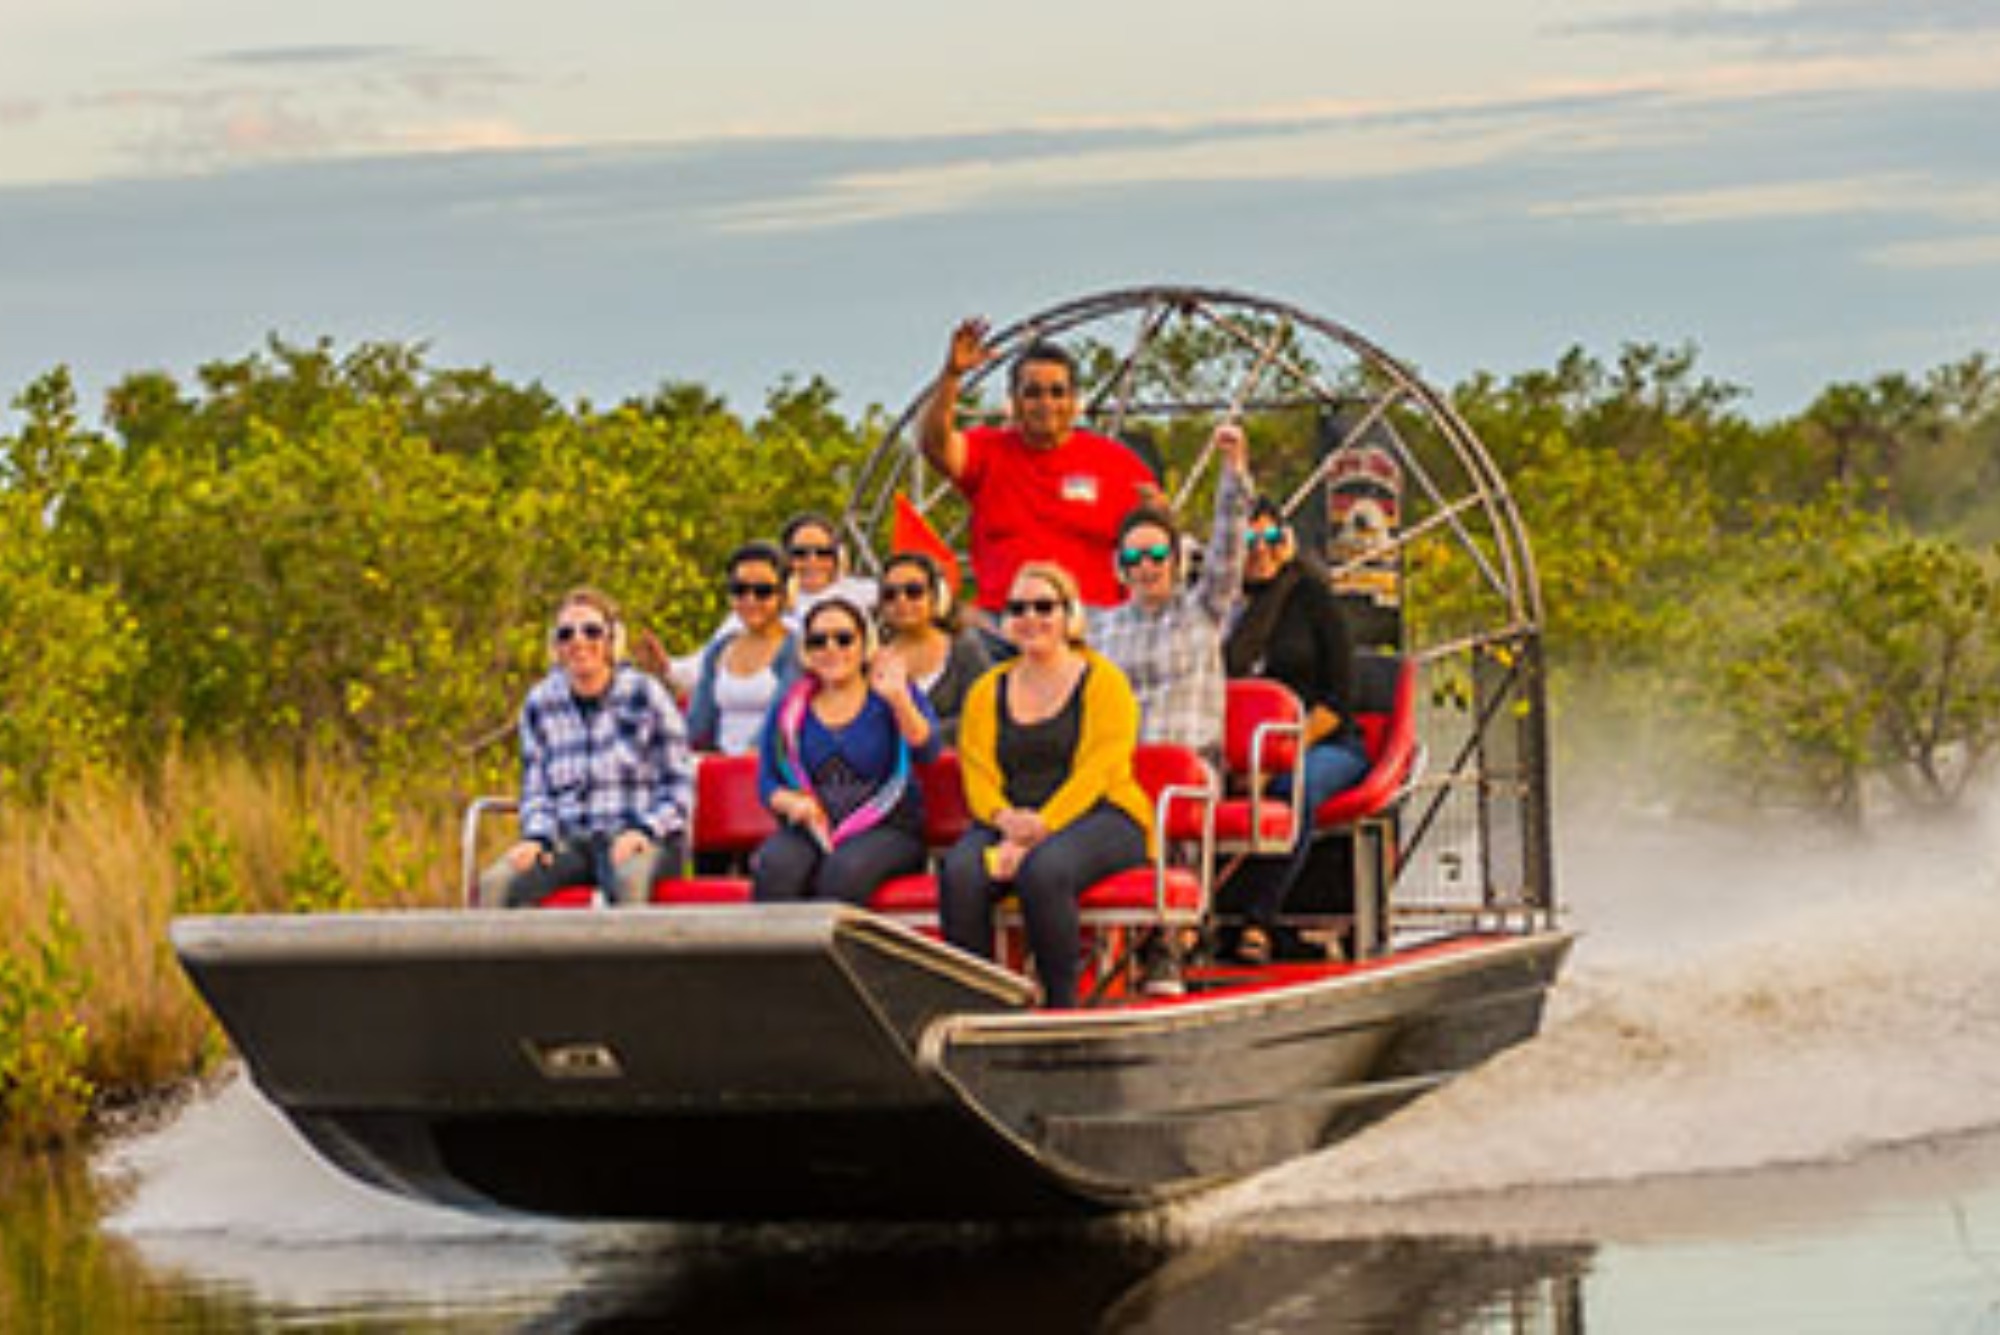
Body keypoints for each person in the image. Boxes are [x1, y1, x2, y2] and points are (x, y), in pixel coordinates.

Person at [938, 562, 1152, 1009]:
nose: (1030, 617)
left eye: (1044, 606)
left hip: (1100, 813)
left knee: (1044, 870)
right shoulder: (986, 690)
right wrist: (1004, 820)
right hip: (1011, 815)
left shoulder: (1104, 681)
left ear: (1069, 615)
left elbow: (1099, 769)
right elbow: (976, 770)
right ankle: (977, 1006)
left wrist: (1041, 827)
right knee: (961, 872)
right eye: (1018, 608)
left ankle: (1061, 1006)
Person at [916, 320, 1158, 616]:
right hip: (1004, 621)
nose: (1046, 403)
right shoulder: (988, 450)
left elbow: (1157, 539)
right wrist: (952, 376)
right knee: (960, 638)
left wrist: (1161, 516)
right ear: (1014, 402)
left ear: (1074, 402)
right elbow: (934, 445)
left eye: (1057, 392)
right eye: (1033, 393)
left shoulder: (1117, 463)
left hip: (1089, 622)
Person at [1216, 500, 1368, 963]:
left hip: (1323, 741)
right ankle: (1188, 922)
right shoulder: (1223, 609)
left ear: (1288, 543)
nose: (1260, 552)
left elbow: (1337, 701)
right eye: (1247, 542)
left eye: (1270, 540)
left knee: (1290, 788)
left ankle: (1259, 919)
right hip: (1239, 748)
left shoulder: (1313, 599)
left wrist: (1275, 757)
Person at [476, 588, 692, 908]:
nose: (579, 641)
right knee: (496, 885)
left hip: (641, 834)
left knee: (628, 880)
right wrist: (537, 838)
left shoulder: (646, 695)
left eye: (591, 631)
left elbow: (679, 787)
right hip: (569, 841)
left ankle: (633, 958)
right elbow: (536, 791)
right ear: (556, 647)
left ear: (611, 641)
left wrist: (644, 831)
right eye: (567, 634)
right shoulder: (540, 704)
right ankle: (506, 958)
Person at [752, 597, 941, 905]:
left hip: (886, 828)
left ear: (864, 644)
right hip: (814, 827)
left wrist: (898, 699)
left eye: (843, 639)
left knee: (843, 872)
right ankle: (783, 954)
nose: (831, 649)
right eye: (818, 641)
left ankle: (832, 955)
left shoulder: (889, 692)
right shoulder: (790, 708)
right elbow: (767, 781)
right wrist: (790, 802)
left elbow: (928, 750)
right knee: (775, 867)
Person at [1093, 422, 1251, 766]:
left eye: (1158, 556)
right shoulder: (1101, 626)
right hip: (1120, 766)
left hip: (1187, 764)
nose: (1146, 566)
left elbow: (1228, 546)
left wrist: (1234, 469)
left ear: (1176, 560)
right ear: (1121, 566)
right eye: (1134, 558)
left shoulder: (1204, 609)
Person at [687, 542, 801, 753]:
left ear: (783, 595)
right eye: (740, 590)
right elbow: (698, 724)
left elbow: (782, 720)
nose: (750, 600)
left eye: (763, 592)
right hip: (720, 764)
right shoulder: (720, 650)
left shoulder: (796, 650)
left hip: (770, 767)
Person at [873, 549, 991, 744]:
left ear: (936, 597)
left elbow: (986, 713)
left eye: (914, 592)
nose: (901, 601)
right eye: (890, 594)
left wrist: (923, 734)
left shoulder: (964, 647)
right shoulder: (871, 655)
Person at [780, 512, 879, 624]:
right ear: (786, 558)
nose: (812, 560)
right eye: (800, 553)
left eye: (823, 552)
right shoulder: (769, 599)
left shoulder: (858, 590)